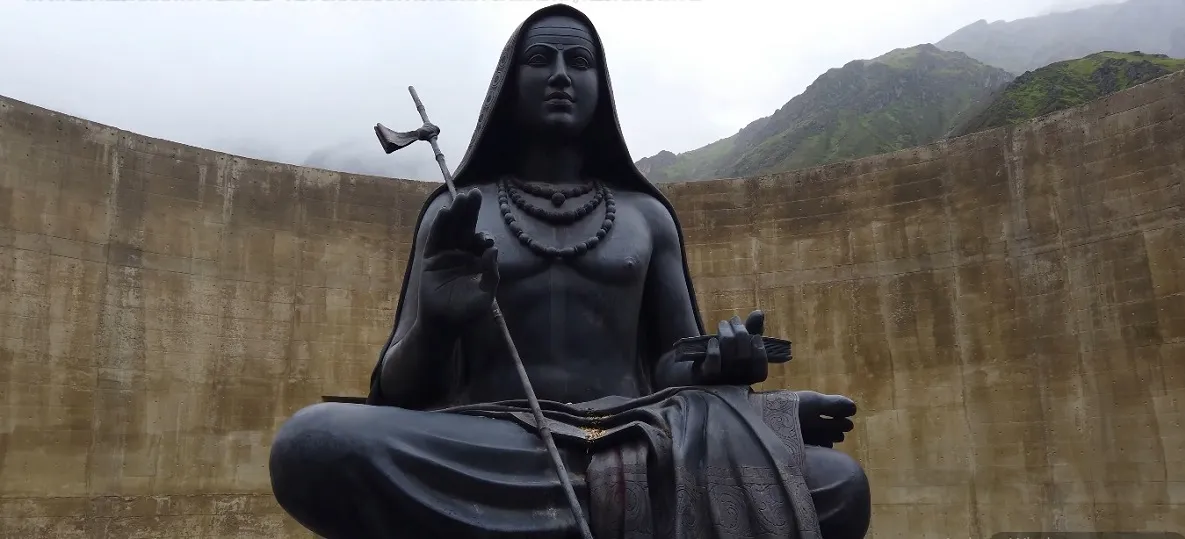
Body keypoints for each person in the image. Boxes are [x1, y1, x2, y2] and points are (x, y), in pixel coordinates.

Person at [269, 4, 870, 538]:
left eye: (579, 61)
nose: (561, 74)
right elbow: (399, 393)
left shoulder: (646, 216)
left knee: (838, 483)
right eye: (541, 59)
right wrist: (436, 324)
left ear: (600, 85)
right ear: (508, 85)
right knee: (312, 442)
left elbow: (673, 363)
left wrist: (719, 363)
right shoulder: (460, 212)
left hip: (637, 439)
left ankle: (556, 516)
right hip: (496, 443)